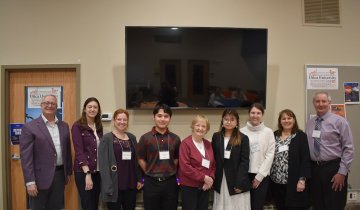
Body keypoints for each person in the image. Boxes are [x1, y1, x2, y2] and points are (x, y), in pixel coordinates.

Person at [20, 94, 72, 210]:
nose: (49, 105)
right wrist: (30, 182)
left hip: (59, 176)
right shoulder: (30, 127)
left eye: (53, 103)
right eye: (46, 103)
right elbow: (26, 157)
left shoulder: (64, 126)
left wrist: (68, 172)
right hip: (38, 179)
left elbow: (67, 151)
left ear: (57, 106)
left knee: (56, 207)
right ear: (41, 106)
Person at [305, 92, 354, 210]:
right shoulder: (310, 123)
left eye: (324, 101)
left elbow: (349, 148)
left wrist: (342, 172)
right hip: (315, 170)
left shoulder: (340, 122)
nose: (320, 104)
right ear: (313, 103)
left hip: (334, 169)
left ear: (329, 103)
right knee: (318, 204)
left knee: (334, 204)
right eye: (317, 101)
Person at [136, 103, 181, 210]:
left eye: (166, 116)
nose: (162, 119)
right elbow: (140, 158)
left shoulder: (175, 138)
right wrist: (149, 170)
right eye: (159, 116)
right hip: (151, 183)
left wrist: (169, 169)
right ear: (154, 117)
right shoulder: (145, 138)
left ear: (170, 118)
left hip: (170, 183)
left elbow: (176, 158)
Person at [99, 108, 143, 210]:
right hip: (115, 185)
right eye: (119, 119)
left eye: (124, 119)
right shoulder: (107, 138)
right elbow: (103, 165)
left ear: (127, 121)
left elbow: (136, 161)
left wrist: (139, 179)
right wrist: (108, 186)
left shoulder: (132, 137)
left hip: (131, 183)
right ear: (114, 120)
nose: (122, 122)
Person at [270, 109, 311, 210]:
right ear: (280, 121)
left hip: (294, 182)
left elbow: (305, 159)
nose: (286, 120)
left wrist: (302, 180)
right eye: (283, 118)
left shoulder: (301, 136)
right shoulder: (274, 135)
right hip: (276, 182)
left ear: (294, 120)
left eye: (289, 118)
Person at [212, 108, 251, 210]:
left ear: (237, 122)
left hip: (236, 180)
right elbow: (213, 159)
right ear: (222, 121)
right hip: (220, 180)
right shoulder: (216, 136)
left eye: (232, 119)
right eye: (226, 119)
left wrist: (239, 183)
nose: (228, 122)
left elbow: (245, 162)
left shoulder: (243, 138)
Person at [240, 103, 275, 210]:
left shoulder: (268, 132)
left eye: (258, 113)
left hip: (261, 176)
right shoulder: (241, 131)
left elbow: (270, 155)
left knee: (257, 206)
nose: (255, 115)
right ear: (249, 114)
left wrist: (259, 176)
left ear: (262, 114)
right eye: (253, 113)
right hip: (244, 175)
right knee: (244, 206)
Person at [72, 97, 103, 210]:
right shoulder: (77, 126)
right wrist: (88, 173)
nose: (92, 109)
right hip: (84, 172)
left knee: (95, 204)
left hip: (97, 171)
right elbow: (79, 151)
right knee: (88, 204)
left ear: (98, 110)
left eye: (95, 107)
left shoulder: (98, 126)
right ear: (84, 109)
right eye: (89, 107)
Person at [178, 115, 215, 210]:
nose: (200, 128)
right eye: (198, 125)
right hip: (189, 187)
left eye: (203, 126)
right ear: (193, 126)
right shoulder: (185, 143)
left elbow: (213, 164)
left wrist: (210, 178)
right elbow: (185, 167)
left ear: (207, 129)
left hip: (205, 187)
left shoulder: (208, 144)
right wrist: (204, 178)